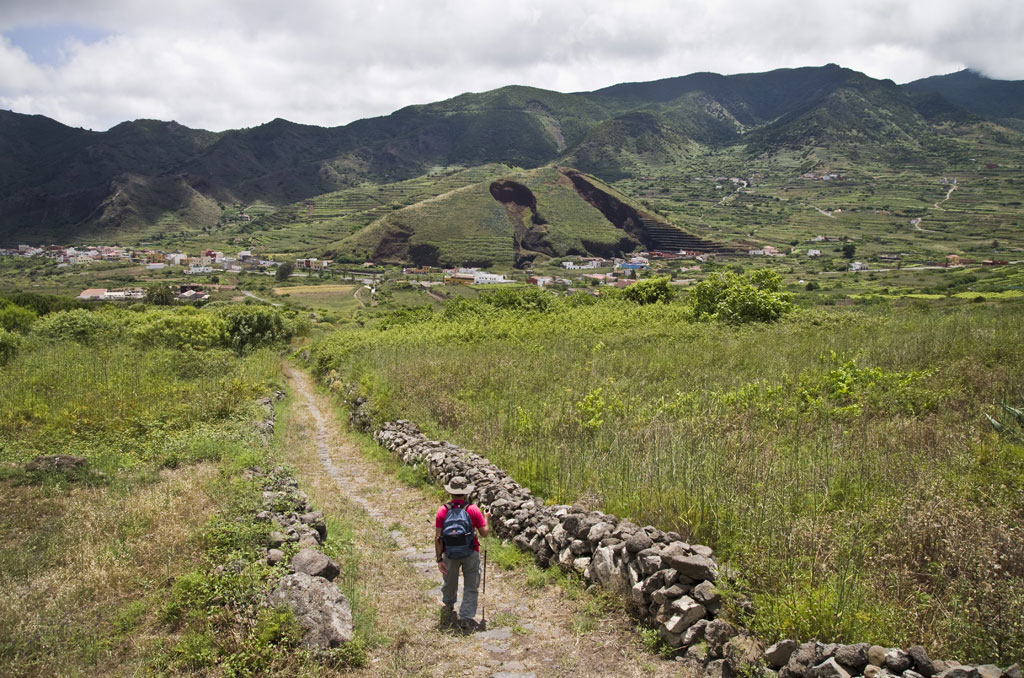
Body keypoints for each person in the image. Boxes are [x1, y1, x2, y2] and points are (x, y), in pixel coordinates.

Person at [435, 475, 490, 629]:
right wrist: (487, 518)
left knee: (450, 581)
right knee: (471, 584)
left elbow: (438, 537)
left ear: (450, 492)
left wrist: (439, 559)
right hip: (471, 551)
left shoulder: (443, 510)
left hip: (450, 552)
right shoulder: (472, 509)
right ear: (465, 492)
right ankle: (466, 616)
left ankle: (448, 605)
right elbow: (484, 533)